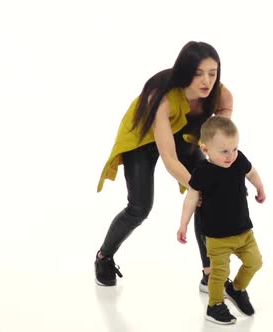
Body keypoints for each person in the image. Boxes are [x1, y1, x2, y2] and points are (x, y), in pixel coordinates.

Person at [95, 41, 233, 289]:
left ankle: (210, 273)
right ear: (185, 72)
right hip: (142, 137)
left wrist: (218, 166)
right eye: (198, 73)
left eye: (212, 73)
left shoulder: (220, 94)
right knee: (139, 207)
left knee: (205, 199)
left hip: (182, 135)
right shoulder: (162, 100)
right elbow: (169, 159)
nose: (207, 81)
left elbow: (221, 125)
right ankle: (103, 257)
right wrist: (196, 185)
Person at [176, 116, 265, 325]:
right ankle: (214, 306)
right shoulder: (202, 172)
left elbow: (251, 173)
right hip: (217, 236)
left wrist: (260, 188)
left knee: (255, 262)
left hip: (244, 232)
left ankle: (236, 289)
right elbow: (191, 197)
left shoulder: (238, 161)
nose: (231, 155)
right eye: (224, 151)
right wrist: (183, 224)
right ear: (205, 149)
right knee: (219, 273)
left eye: (234, 148)